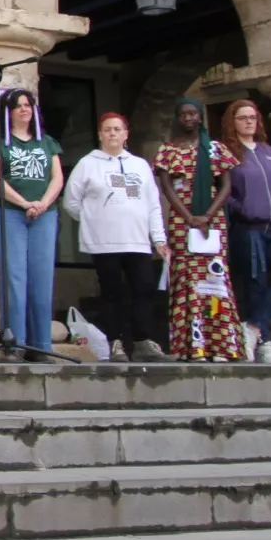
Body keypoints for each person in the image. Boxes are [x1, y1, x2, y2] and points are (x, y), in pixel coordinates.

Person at [62, 112, 170, 363]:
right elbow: (71, 202)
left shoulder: (139, 165)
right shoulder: (88, 164)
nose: (112, 134)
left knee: (143, 287)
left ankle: (144, 342)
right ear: (100, 135)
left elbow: (152, 204)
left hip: (138, 241)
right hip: (104, 243)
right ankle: (116, 342)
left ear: (125, 134)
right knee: (112, 292)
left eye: (117, 129)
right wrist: (95, 220)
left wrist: (159, 238)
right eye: (107, 129)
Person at [154, 97, 245, 362]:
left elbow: (226, 185)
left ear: (200, 117)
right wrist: (189, 216)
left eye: (193, 114)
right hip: (182, 221)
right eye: (184, 114)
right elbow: (166, 186)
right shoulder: (168, 150)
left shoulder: (215, 149)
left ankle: (221, 346)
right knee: (188, 281)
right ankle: (192, 347)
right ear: (177, 118)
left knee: (215, 281)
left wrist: (206, 215)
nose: (189, 118)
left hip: (213, 220)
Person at [0, 88, 64, 361]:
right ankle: (14, 345)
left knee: (42, 278)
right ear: (7, 112)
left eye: (28, 105)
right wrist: (24, 203)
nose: (24, 109)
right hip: (9, 213)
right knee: (14, 278)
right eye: (17, 106)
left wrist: (42, 203)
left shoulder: (48, 142)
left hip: (45, 214)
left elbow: (57, 178)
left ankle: (41, 346)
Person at [223, 99, 271, 363]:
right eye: (242, 117)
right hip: (249, 228)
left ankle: (253, 326)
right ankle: (265, 344)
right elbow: (223, 190)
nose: (248, 122)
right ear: (232, 122)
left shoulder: (270, 152)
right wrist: (240, 208)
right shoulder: (228, 153)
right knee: (255, 284)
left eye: (252, 117)